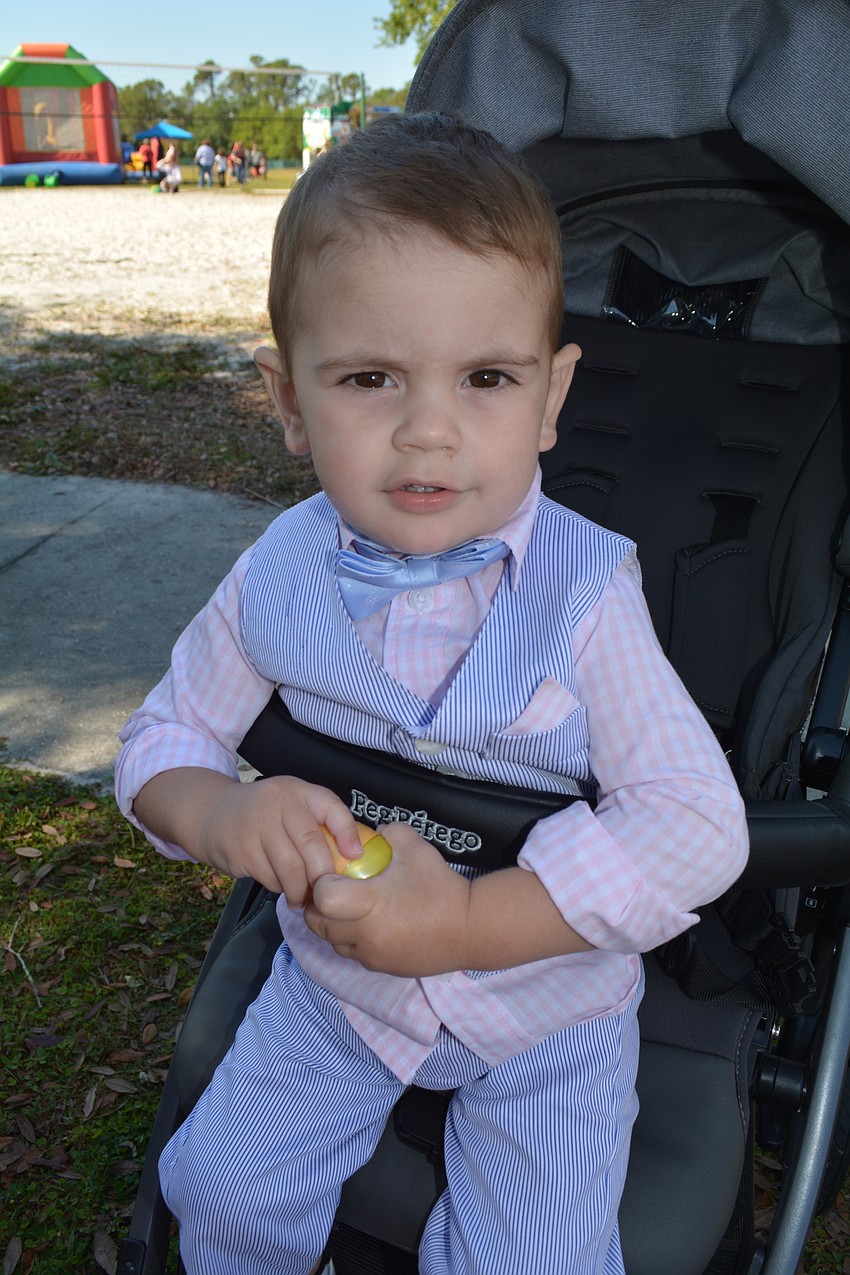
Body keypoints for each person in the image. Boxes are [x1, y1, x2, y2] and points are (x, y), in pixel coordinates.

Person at [115, 112, 748, 1274]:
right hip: (341, 989)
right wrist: (219, 811)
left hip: (549, 1011)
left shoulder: (586, 594)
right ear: (291, 401)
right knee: (215, 1184)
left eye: (487, 378)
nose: (428, 431)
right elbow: (164, 734)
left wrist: (463, 924)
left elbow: (695, 826)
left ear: (552, 397)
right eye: (369, 378)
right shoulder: (276, 578)